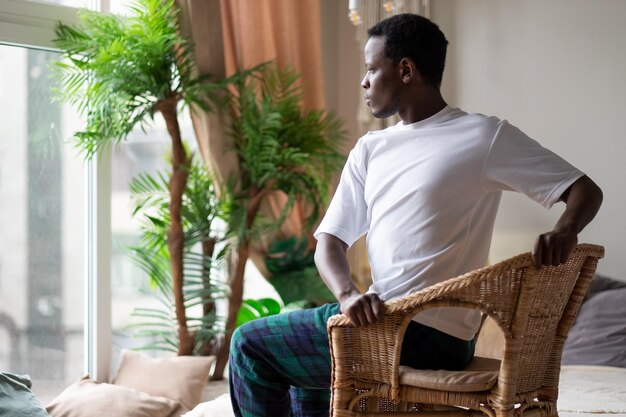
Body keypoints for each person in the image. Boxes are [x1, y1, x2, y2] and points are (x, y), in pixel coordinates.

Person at [228, 13, 603, 417]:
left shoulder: (481, 136)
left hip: (421, 333)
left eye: (372, 69)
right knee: (306, 371)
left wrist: (566, 231)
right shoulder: (371, 150)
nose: (364, 81)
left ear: (405, 69)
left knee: (248, 345)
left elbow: (584, 190)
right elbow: (329, 243)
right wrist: (348, 295)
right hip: (384, 325)